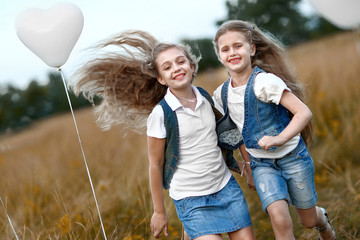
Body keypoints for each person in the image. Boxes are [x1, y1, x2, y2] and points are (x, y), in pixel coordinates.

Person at [72, 30, 255, 240]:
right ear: (161, 78)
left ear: (191, 67)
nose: (176, 68)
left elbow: (227, 134)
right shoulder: (161, 115)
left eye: (180, 62)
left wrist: (246, 166)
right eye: (167, 67)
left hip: (226, 189)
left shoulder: (205, 97)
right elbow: (155, 165)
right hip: (191, 200)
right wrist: (159, 212)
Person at [212, 20, 336, 240]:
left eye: (238, 46)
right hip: (262, 164)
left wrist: (280, 138)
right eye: (225, 49)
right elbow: (238, 134)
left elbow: (303, 113)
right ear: (219, 55)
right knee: (279, 218)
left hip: (293, 158)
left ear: (251, 49)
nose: (232, 52)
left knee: (307, 221)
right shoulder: (221, 95)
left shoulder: (266, 82)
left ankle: (322, 220)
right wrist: (248, 167)